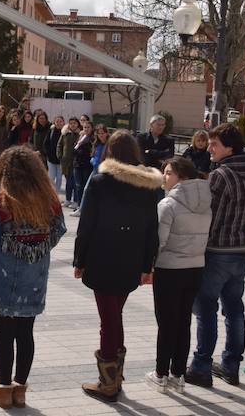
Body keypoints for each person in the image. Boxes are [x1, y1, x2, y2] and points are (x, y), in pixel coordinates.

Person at [74, 130, 161, 402]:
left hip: (102, 257)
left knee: (109, 320)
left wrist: (79, 259)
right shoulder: (148, 186)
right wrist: (148, 265)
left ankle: (108, 382)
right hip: (131, 259)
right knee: (114, 316)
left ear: (110, 152)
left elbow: (86, 224)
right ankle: (114, 377)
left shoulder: (101, 181)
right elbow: (152, 229)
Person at [0, 146, 66, 409]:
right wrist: (38, 247)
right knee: (26, 332)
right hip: (35, 274)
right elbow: (59, 229)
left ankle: (3, 389)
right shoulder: (48, 199)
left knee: (4, 334)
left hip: (4, 274)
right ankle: (20, 390)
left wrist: (10, 242)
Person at [186, 123, 245, 388]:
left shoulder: (222, 175)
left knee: (206, 308)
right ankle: (231, 365)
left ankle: (201, 367)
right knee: (234, 308)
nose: (209, 149)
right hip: (244, 250)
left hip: (218, 251)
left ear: (229, 147)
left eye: (215, 145)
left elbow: (211, 218)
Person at [146, 157, 212, 393]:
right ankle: (178, 374)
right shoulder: (206, 201)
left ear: (182, 177)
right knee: (183, 322)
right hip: (195, 268)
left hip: (169, 269)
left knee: (166, 323)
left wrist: (149, 265)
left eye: (169, 173)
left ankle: (161, 373)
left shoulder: (168, 205)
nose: (164, 177)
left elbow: (159, 242)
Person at [71, 121, 95, 210]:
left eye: (88, 127)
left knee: (85, 186)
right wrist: (78, 144)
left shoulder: (93, 139)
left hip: (87, 166)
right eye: (85, 127)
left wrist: (82, 146)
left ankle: (85, 206)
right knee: (78, 186)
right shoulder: (80, 137)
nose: (86, 129)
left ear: (92, 128)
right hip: (77, 165)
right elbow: (73, 150)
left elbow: (89, 153)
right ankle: (79, 205)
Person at [58, 118, 79, 208]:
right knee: (68, 182)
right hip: (66, 162)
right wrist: (60, 156)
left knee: (75, 183)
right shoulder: (65, 134)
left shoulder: (80, 134)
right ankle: (67, 199)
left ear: (77, 124)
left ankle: (75, 200)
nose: (73, 125)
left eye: (74, 123)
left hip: (76, 162)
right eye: (71, 123)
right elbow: (59, 145)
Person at [45, 116, 64, 193]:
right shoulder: (51, 131)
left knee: (59, 178)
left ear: (63, 122)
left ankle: (57, 193)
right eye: (57, 121)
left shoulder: (65, 132)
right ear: (54, 123)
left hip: (60, 160)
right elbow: (46, 143)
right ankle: (50, 193)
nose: (59, 123)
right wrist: (48, 154)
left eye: (60, 121)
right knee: (51, 177)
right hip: (51, 159)